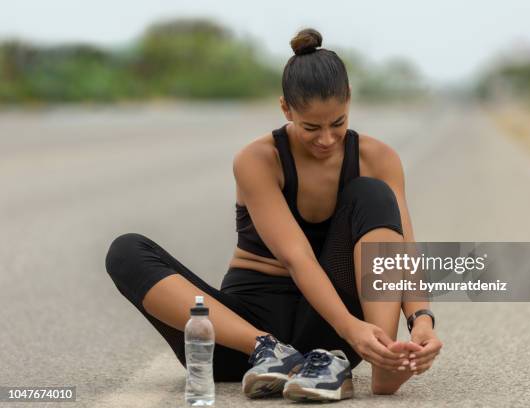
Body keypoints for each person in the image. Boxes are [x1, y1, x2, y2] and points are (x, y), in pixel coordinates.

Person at [105, 27, 442, 401]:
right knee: (125, 250)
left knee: (374, 194)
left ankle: (386, 359)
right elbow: (296, 257)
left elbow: (404, 252)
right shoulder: (257, 160)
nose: (326, 140)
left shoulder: (377, 158)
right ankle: (271, 351)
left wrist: (420, 321)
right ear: (286, 109)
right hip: (244, 338)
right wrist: (350, 328)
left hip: (330, 340)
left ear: (349, 101)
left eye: (338, 123)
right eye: (311, 127)